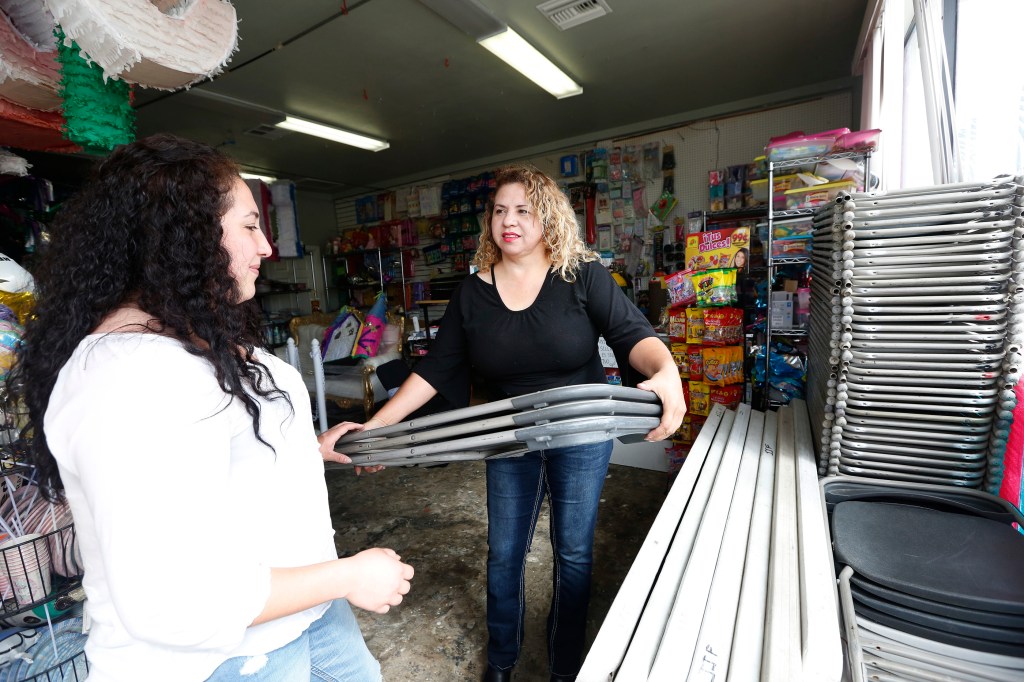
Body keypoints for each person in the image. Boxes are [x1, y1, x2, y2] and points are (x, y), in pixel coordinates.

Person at [7, 134, 413, 681]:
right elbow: (172, 601)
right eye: (249, 225)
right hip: (228, 659)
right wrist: (349, 576)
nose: (266, 247)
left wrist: (306, 450)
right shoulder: (130, 379)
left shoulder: (183, 335)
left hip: (302, 618)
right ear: (183, 233)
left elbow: (211, 462)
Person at [356, 165, 686, 682]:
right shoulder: (472, 294)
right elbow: (436, 368)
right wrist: (376, 426)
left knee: (573, 554)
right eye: (500, 210)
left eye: (523, 210)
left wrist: (665, 370)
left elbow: (632, 334)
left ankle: (564, 667)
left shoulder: (584, 276)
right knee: (505, 554)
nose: (509, 221)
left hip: (580, 434)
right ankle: (502, 662)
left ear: (547, 216)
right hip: (507, 436)